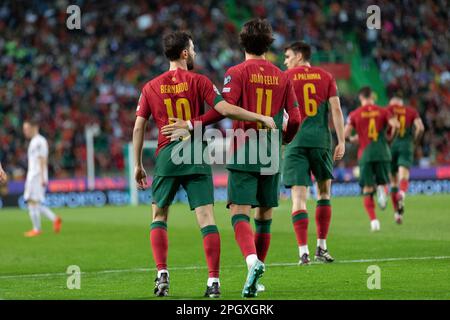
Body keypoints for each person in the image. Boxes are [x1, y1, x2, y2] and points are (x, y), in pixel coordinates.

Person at [132, 31, 276, 298]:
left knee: (159, 215)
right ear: (185, 53)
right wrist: (260, 117)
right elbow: (224, 109)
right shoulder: (199, 81)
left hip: (167, 155)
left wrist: (138, 164)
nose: (195, 53)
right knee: (207, 219)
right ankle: (213, 282)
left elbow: (139, 125)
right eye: (193, 48)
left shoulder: (151, 86)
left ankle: (162, 275)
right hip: (196, 154)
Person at [220, 18, 301, 297]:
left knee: (238, 211)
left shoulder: (236, 72)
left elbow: (228, 109)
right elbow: (297, 118)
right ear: (269, 44)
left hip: (244, 147)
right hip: (271, 150)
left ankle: (252, 262)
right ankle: (256, 274)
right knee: (264, 213)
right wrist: (284, 139)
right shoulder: (283, 76)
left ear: (242, 43)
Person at [282, 41, 345, 264]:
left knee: (298, 198)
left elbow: (280, 112)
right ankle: (322, 247)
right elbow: (336, 109)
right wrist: (342, 140)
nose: (285, 61)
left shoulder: (286, 77)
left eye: (288, 56)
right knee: (324, 193)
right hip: (321, 141)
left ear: (299, 55)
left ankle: (303, 252)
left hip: (295, 143)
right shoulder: (326, 76)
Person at [344, 87, 399, 231]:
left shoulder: (355, 114)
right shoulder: (384, 111)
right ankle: (382, 190)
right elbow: (396, 125)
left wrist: (353, 139)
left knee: (367, 189)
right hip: (383, 152)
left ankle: (374, 221)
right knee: (382, 181)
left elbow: (344, 135)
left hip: (366, 154)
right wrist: (390, 138)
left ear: (361, 98)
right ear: (372, 97)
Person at [387, 96, 424, 224]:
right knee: (404, 176)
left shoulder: (389, 109)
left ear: (393, 103)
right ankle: (402, 192)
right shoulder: (411, 111)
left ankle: (397, 214)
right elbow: (420, 128)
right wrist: (414, 141)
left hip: (392, 145)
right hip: (406, 144)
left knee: (393, 182)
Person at [22, 119, 62, 237]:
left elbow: (42, 159)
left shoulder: (40, 141)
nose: (25, 131)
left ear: (34, 127)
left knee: (32, 201)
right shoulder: (34, 141)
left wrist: (43, 177)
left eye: (26, 128)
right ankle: (55, 219)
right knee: (34, 202)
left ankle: (37, 229)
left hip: (37, 175)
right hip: (33, 175)